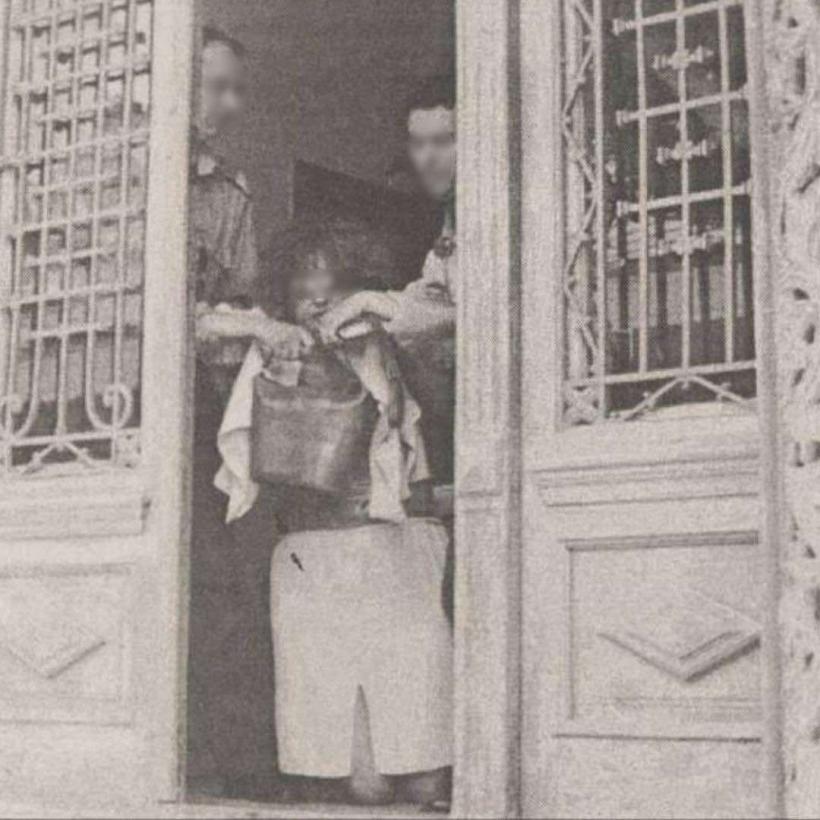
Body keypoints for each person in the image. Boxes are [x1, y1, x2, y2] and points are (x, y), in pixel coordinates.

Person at [215, 218, 453, 807]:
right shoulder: (268, 345)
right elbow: (196, 322)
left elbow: (448, 313)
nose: (318, 299)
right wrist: (266, 328)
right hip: (314, 554)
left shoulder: (389, 338)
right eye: (303, 285)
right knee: (366, 784)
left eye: (333, 284)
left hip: (392, 551)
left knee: (426, 770)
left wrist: (369, 307)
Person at [186, 26, 311, 800]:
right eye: (218, 86)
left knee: (230, 581)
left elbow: (233, 302)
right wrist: (246, 326)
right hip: (122, 412)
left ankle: (236, 768)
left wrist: (269, 335)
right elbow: (153, 313)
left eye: (239, 88)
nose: (231, 103)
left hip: (206, 407)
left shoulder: (230, 192)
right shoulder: (126, 181)